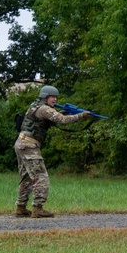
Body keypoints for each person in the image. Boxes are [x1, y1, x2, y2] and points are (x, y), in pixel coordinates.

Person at [14, 85, 91, 218]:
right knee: (41, 176)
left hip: (22, 143)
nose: (55, 99)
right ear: (45, 97)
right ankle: (38, 208)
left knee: (26, 177)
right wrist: (81, 116)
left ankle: (21, 208)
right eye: (52, 97)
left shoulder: (37, 106)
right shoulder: (44, 109)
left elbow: (54, 117)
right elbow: (62, 120)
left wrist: (66, 113)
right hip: (29, 145)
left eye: (56, 97)